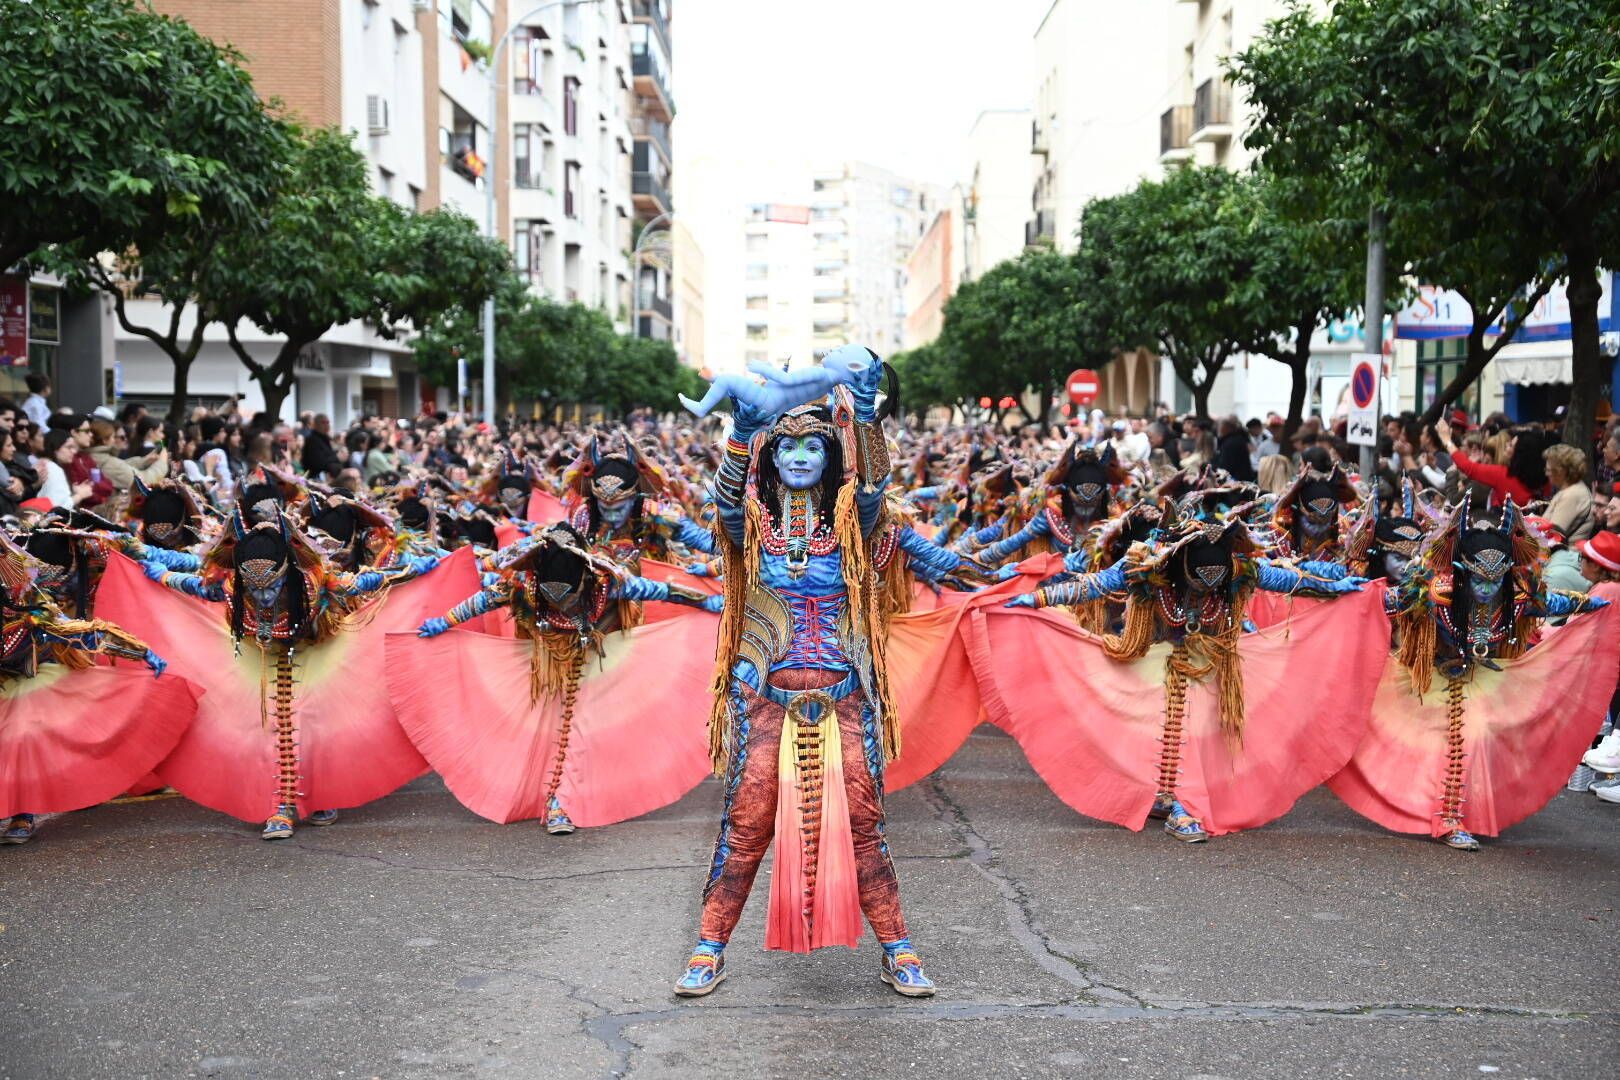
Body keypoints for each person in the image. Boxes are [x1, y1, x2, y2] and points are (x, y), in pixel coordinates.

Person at [673, 346, 939, 1000]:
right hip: (763, 694)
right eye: (785, 449)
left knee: (865, 818)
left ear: (827, 460)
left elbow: (873, 488)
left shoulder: (851, 519)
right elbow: (727, 500)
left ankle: (898, 948)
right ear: (771, 458)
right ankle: (710, 945)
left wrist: (868, 407)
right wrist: (739, 428)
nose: (797, 458)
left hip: (844, 694)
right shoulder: (754, 525)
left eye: (813, 450)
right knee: (747, 819)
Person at [1435, 418, 1547, 509]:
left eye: (1511, 445)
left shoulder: (1503, 475)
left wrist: (1446, 440)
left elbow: (1467, 467)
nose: (1506, 447)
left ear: (1520, 453)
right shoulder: (1543, 480)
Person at [1543, 443, 1594, 544]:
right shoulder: (1572, 489)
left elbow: (1551, 535)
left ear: (1561, 472)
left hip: (1563, 556)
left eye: (1549, 470)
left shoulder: (1572, 495)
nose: (1546, 474)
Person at [300, 414, 344, 482]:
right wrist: (337, 457)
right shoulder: (312, 440)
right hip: (317, 478)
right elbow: (318, 462)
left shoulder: (325, 438)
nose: (326, 425)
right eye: (323, 423)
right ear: (315, 425)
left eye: (328, 422)